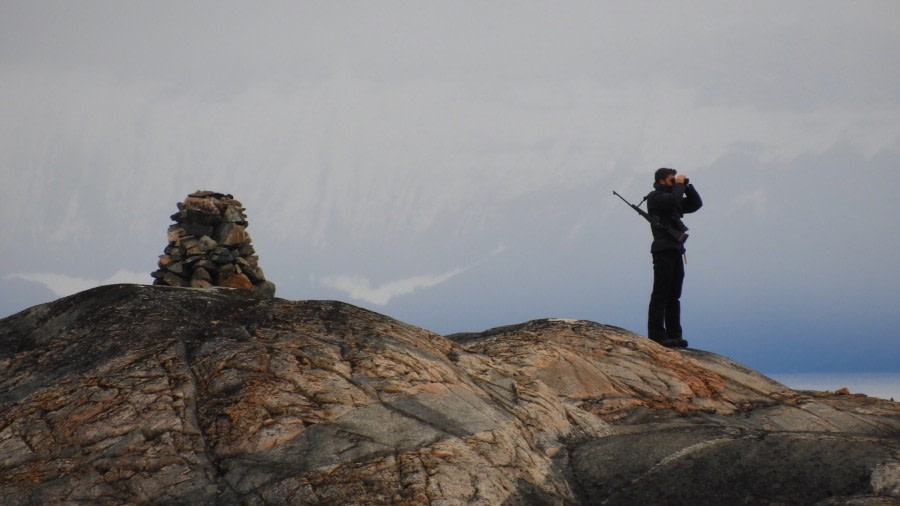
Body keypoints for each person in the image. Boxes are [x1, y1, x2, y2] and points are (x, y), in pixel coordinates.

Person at [646, 168, 702, 348]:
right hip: (662, 251)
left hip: (676, 251)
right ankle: (657, 335)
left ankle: (674, 334)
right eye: (672, 180)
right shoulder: (655, 197)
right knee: (660, 294)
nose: (675, 184)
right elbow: (673, 200)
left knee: (674, 295)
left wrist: (687, 187)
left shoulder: (673, 199)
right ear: (662, 181)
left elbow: (696, 204)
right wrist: (678, 186)